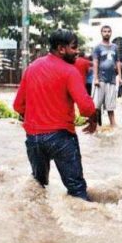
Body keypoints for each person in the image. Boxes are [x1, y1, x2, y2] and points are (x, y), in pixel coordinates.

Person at [13, 29, 97, 200]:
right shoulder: (69, 71)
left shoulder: (32, 67)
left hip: (33, 139)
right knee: (77, 191)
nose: (77, 51)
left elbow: (18, 105)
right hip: (61, 138)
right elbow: (86, 108)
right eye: (74, 47)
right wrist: (93, 120)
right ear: (61, 49)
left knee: (38, 186)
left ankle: (36, 216)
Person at [92, 25, 121, 128]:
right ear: (101, 33)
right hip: (100, 79)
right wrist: (96, 78)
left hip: (112, 79)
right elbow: (95, 62)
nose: (107, 33)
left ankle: (113, 124)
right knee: (97, 105)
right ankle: (94, 125)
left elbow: (118, 62)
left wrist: (120, 76)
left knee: (110, 105)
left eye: (108, 31)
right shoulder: (97, 47)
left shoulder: (115, 47)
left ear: (111, 33)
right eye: (104, 31)